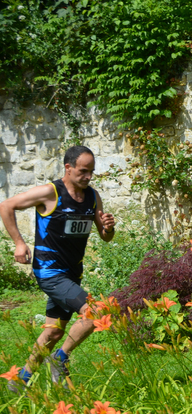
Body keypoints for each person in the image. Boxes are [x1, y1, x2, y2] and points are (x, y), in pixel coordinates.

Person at [1, 145, 116, 390]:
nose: (88, 177)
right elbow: (6, 206)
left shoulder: (93, 197)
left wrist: (108, 227)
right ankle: (60, 359)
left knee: (53, 332)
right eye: (83, 171)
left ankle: (22, 379)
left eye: (91, 172)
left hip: (72, 273)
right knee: (95, 311)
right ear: (68, 167)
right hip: (49, 271)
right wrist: (19, 243)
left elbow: (106, 236)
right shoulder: (50, 192)